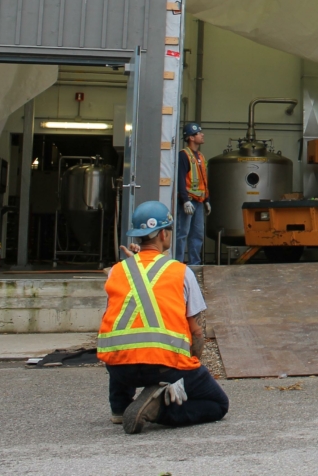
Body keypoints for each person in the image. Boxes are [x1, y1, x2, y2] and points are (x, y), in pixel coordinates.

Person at [97, 200, 229, 434]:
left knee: (123, 343)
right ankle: (156, 410)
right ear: (161, 235)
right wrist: (191, 365)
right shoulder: (181, 272)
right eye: (169, 229)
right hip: (164, 367)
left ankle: (119, 408)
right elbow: (197, 331)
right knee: (218, 404)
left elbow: (113, 317)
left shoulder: (117, 271)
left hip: (120, 370)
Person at [177, 122, 211, 265]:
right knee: (182, 234)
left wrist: (207, 200)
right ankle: (177, 263)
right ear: (191, 137)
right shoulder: (184, 155)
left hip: (199, 201)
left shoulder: (200, 157)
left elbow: (203, 180)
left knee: (197, 235)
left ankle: (194, 265)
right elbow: (180, 178)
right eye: (198, 133)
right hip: (189, 202)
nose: (202, 135)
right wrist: (185, 200)